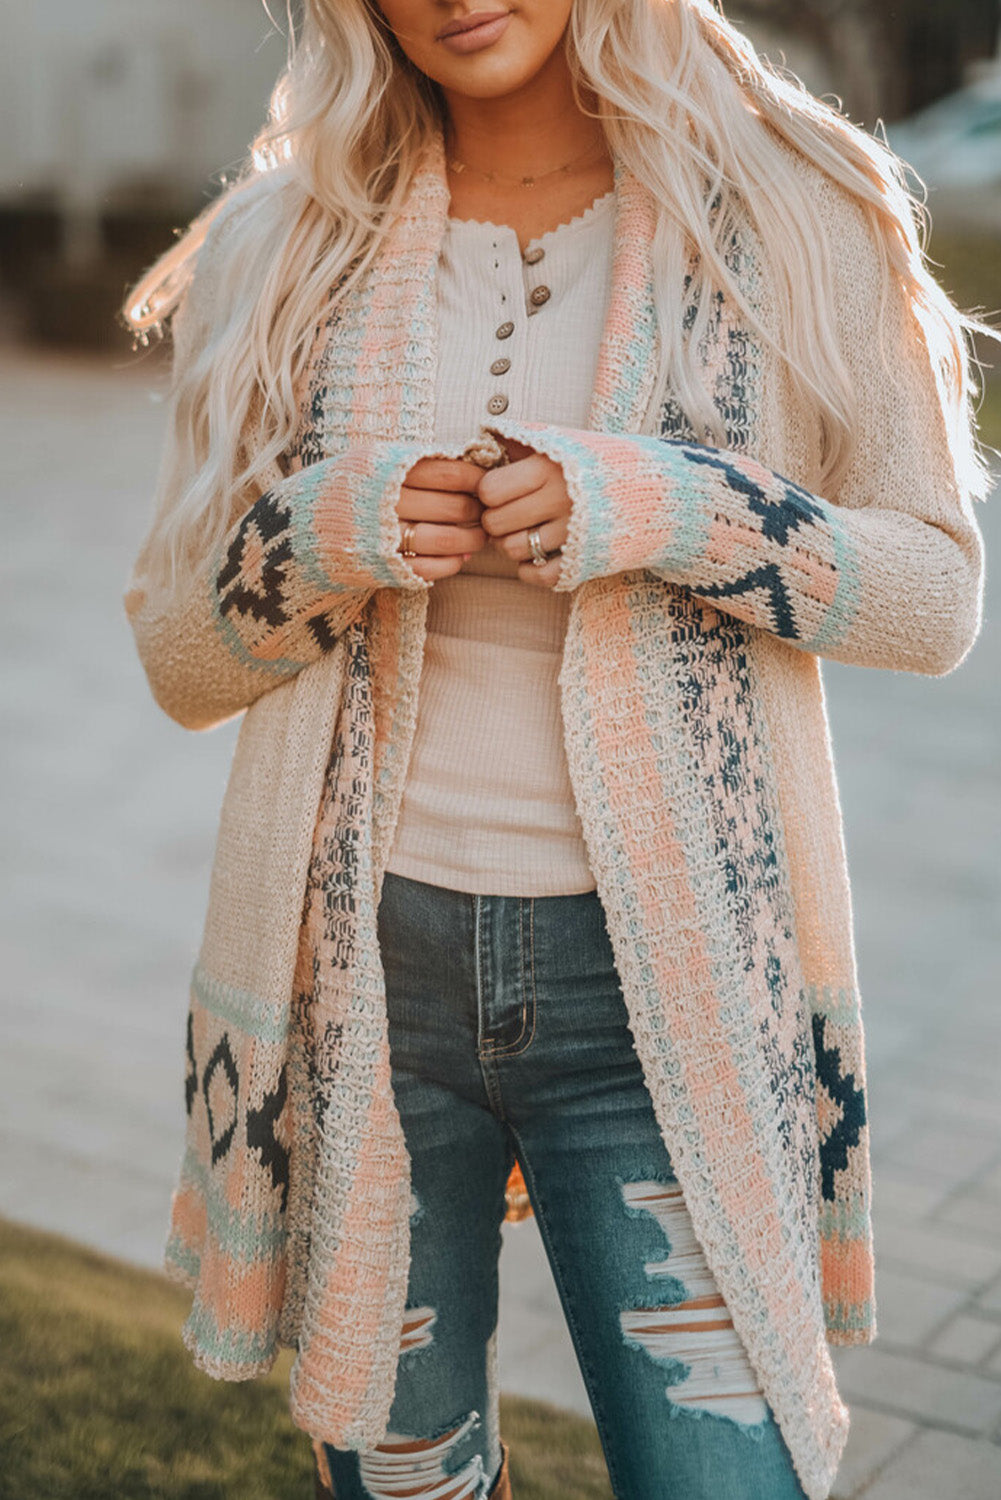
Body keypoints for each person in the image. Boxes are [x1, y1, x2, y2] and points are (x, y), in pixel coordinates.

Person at [121, 3, 990, 1498]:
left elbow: (932, 598)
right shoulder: (290, 239)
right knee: (405, 1485)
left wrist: (672, 509)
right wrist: (327, 535)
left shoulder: (796, 204)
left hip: (660, 992)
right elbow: (178, 657)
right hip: (358, 984)